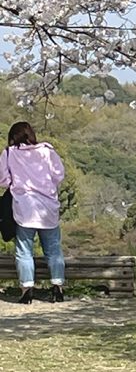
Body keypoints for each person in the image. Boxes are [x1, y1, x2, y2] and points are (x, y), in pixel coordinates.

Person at [0, 121, 66, 304]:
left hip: (24, 207)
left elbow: (3, 180)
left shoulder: (9, 153)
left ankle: (26, 290)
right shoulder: (47, 151)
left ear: (13, 137)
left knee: (24, 251)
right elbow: (59, 175)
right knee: (53, 249)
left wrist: (16, 183)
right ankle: (58, 288)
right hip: (48, 207)